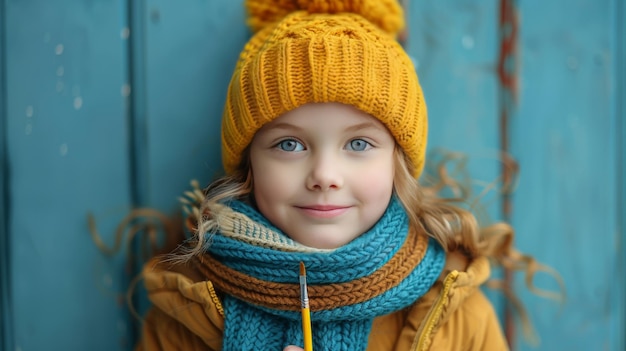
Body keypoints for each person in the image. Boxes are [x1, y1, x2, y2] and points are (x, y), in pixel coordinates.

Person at [134, 0, 555, 350]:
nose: (324, 175)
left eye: (358, 144)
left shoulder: (456, 317)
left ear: (397, 163)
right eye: (289, 145)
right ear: (249, 164)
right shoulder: (185, 312)